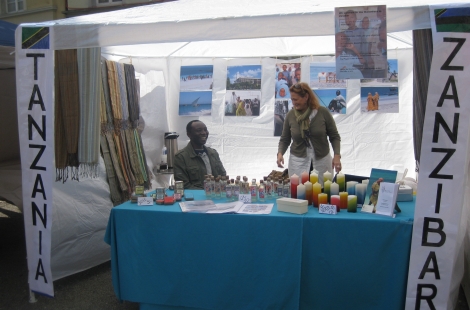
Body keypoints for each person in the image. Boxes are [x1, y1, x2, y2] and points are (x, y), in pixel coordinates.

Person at [277, 82, 342, 186]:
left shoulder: (323, 113)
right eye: (292, 99)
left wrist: (337, 155)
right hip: (298, 163)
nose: (293, 102)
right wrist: (280, 153)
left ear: (306, 97)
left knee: (322, 193)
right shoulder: (290, 115)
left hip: (322, 162)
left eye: (296, 99)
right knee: (299, 194)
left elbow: (334, 136)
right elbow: (285, 138)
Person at [174, 120, 226, 189]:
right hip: (196, 197)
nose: (204, 133)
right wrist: (206, 192)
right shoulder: (181, 157)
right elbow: (184, 185)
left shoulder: (213, 153)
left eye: (205, 130)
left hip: (216, 195)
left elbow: (223, 176)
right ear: (189, 134)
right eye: (199, 130)